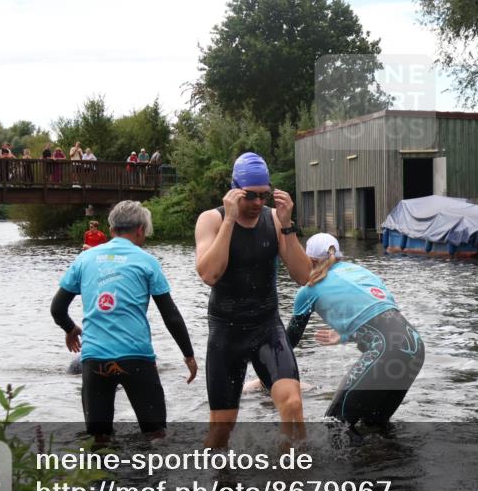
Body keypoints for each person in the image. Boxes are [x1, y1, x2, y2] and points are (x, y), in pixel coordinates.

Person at [51, 200, 198, 441]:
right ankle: (153, 478)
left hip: (94, 360)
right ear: (140, 229)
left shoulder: (84, 260)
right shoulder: (146, 261)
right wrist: (188, 355)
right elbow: (170, 315)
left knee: (99, 440)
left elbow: (57, 309)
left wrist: (71, 329)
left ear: (111, 230)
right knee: (156, 436)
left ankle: (104, 478)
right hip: (136, 358)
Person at [194, 152, 312, 448]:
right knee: (221, 432)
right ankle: (217, 485)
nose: (258, 203)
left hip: (266, 328)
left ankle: (290, 487)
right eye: (250, 196)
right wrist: (230, 220)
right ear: (234, 191)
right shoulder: (211, 220)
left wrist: (287, 226)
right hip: (226, 334)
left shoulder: (274, 220)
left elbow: (303, 276)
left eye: (264, 195)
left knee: (293, 406)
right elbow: (210, 274)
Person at [287, 233, 425, 427]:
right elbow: (382, 316)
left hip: (386, 350)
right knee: (376, 425)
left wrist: (261, 359)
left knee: (335, 424)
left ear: (309, 260)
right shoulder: (360, 271)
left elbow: (289, 342)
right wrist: (345, 335)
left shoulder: (309, 289)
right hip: (416, 347)